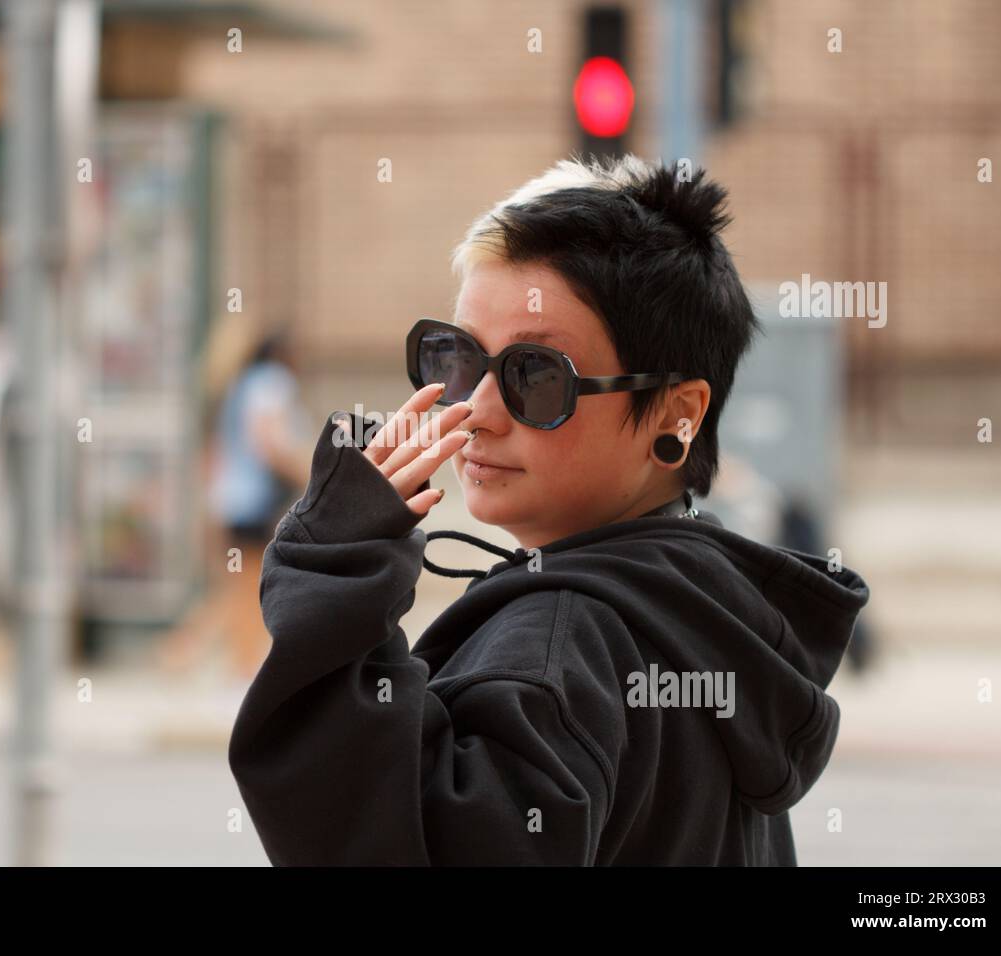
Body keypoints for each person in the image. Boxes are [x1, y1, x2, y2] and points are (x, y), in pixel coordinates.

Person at [228, 154, 871, 865]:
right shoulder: (702, 611)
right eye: (458, 357)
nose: (474, 411)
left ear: (676, 416)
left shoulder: (558, 648)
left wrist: (333, 579)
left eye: (536, 374)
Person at [160, 325, 312, 682]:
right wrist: (310, 472)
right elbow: (270, 440)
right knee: (253, 590)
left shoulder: (235, 388)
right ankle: (234, 668)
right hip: (255, 504)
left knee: (238, 586)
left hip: (229, 503)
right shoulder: (271, 381)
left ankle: (192, 652)